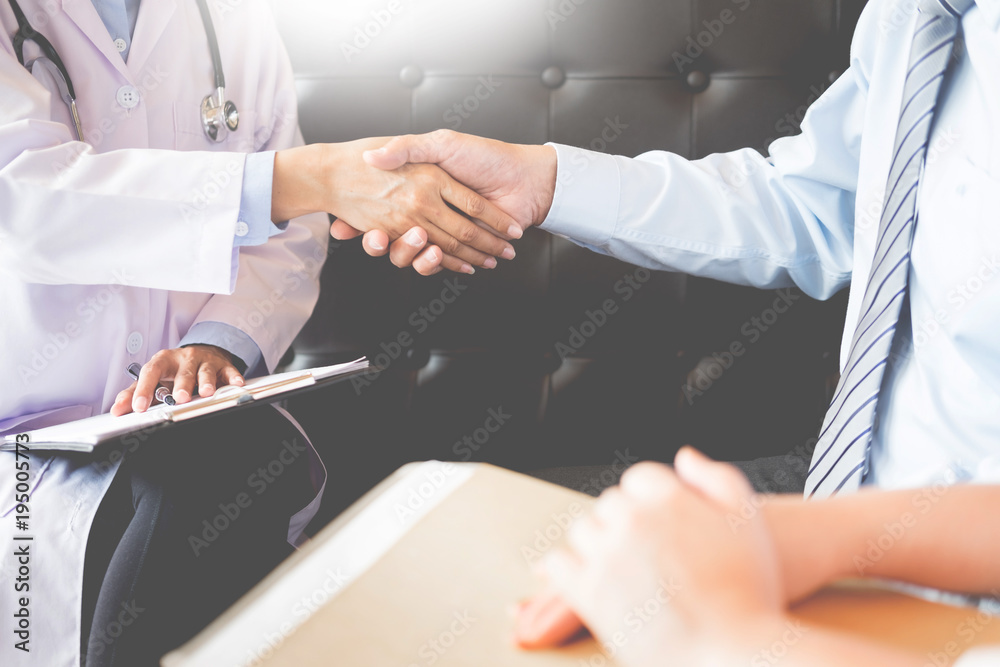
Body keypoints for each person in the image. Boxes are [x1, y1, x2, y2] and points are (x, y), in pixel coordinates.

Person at [336, 0, 1000, 660]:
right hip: (846, 521)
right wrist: (546, 180)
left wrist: (727, 629)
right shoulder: (919, 15)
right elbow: (819, 210)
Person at [0, 1, 519, 665]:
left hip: (187, 424)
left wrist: (219, 340)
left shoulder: (231, 15)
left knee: (219, 454)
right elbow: (21, 199)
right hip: (23, 439)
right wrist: (312, 176)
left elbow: (292, 233)